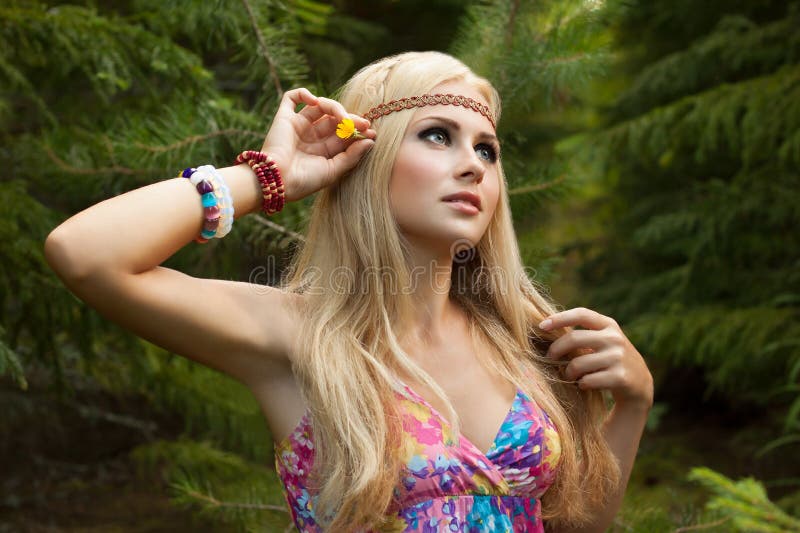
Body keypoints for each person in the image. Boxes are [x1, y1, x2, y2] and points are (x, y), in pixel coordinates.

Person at [44, 51, 653, 532]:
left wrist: (632, 405)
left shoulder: (526, 344)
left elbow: (574, 527)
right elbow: (87, 254)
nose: (472, 164)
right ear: (367, 156)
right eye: (437, 135)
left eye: (486, 149)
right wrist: (268, 177)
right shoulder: (301, 337)